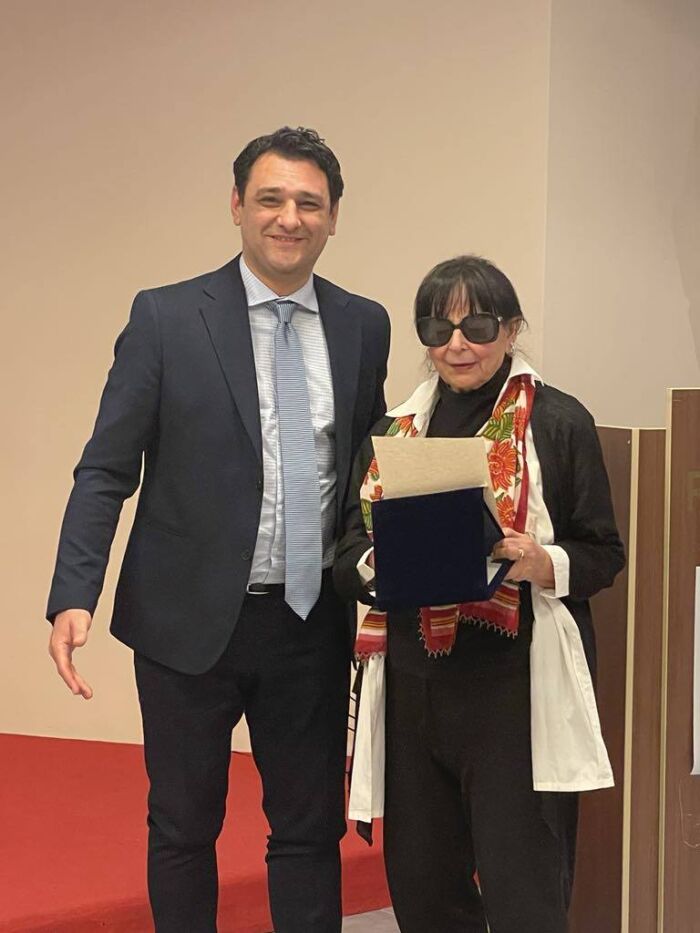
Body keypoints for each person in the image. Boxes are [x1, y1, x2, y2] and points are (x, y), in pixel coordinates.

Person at [46, 126, 390, 933]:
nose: (289, 218)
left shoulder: (362, 324)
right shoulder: (166, 317)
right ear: (237, 205)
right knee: (183, 826)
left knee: (309, 829)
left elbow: (366, 468)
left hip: (308, 619)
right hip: (185, 621)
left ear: (334, 216)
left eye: (309, 202)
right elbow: (105, 468)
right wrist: (74, 591)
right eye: (270, 198)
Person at [334, 255, 625, 933]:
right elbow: (347, 554)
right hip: (413, 686)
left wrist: (540, 561)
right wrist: (384, 562)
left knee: (524, 889)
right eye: (438, 328)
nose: (457, 344)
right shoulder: (392, 430)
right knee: (424, 889)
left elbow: (603, 553)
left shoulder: (557, 422)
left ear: (512, 328)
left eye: (479, 326)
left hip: (511, 689)